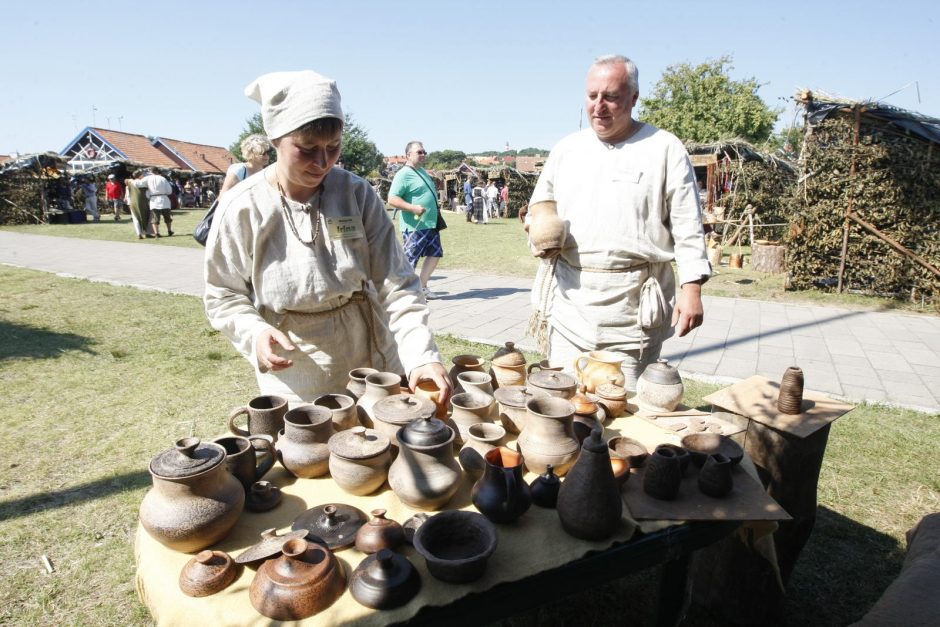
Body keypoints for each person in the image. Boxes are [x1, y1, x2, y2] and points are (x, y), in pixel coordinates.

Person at [204, 70, 451, 406]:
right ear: (276, 139)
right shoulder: (242, 206)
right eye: (306, 149)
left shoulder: (357, 194)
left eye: (333, 147)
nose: (322, 161)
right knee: (310, 452)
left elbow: (399, 285)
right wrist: (255, 332)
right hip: (296, 373)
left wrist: (421, 356)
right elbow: (223, 294)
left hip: (373, 359)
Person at [527, 54, 710, 390]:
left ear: (634, 98)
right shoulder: (567, 149)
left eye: (610, 97)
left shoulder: (664, 148)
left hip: (631, 311)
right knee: (563, 403)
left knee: (623, 412)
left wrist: (692, 288)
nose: (599, 106)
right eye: (592, 96)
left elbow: (687, 224)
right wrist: (538, 231)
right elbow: (540, 204)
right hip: (570, 305)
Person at [387, 141, 445, 300]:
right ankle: (401, 293)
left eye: (424, 152)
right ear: (408, 155)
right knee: (409, 261)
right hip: (414, 225)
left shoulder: (423, 172)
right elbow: (392, 199)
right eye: (419, 152)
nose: (423, 155)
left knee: (435, 254)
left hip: (430, 223)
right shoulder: (403, 174)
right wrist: (412, 208)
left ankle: (422, 286)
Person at [220, 134, 272, 198]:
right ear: (251, 153)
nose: (267, 156)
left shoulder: (266, 173)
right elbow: (223, 197)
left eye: (268, 152)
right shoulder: (239, 170)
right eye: (263, 153)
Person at [133, 169, 174, 237]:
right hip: (164, 199)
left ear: (151, 172)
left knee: (155, 217)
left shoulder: (148, 178)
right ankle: (169, 231)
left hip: (154, 200)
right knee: (167, 217)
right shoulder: (163, 178)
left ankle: (156, 233)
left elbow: (138, 184)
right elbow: (169, 191)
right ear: (157, 172)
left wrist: (135, 179)